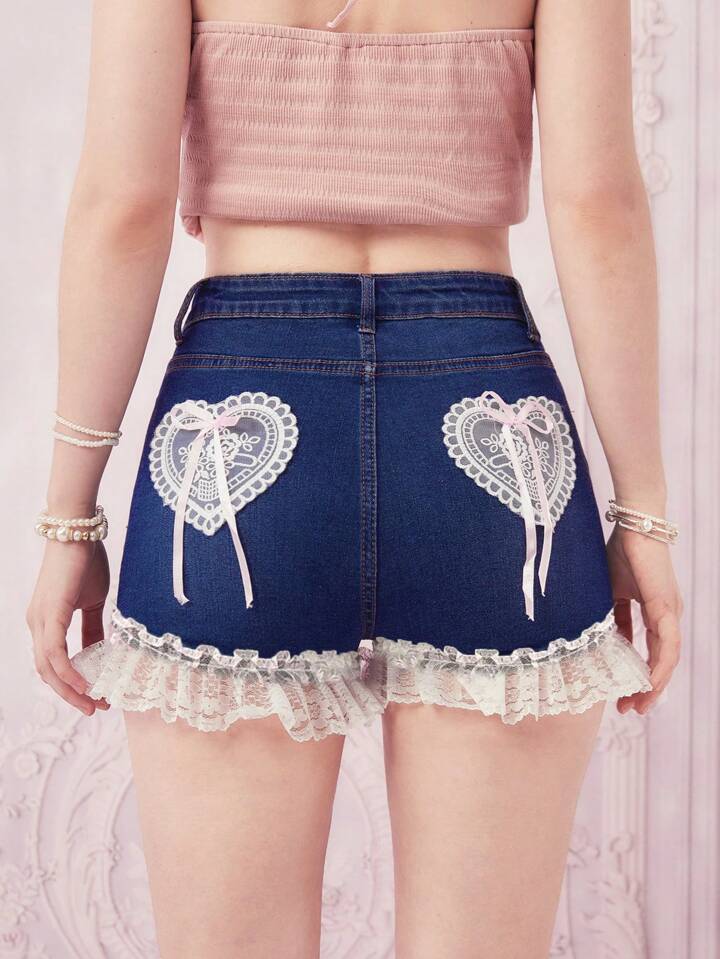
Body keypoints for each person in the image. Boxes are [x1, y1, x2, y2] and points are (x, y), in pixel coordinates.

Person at [25, 0, 683, 956]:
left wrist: (69, 519)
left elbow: (122, 207)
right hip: (488, 421)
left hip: (240, 417)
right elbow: (598, 207)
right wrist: (643, 515)